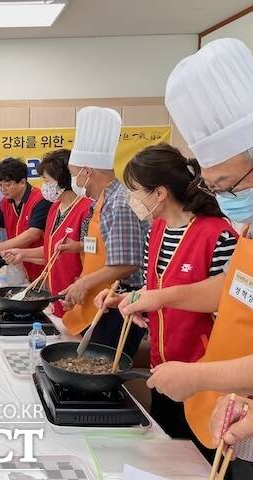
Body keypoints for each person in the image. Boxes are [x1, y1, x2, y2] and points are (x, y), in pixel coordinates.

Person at [115, 38, 253, 478]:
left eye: (230, 184)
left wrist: (198, 377)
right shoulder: (246, 226)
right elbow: (231, 290)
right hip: (233, 403)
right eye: (215, 187)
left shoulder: (219, 228)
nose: (226, 200)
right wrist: (155, 298)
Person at [94, 143, 237, 450]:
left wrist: (156, 299)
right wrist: (126, 299)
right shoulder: (156, 229)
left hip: (205, 372)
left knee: (201, 455)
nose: (132, 199)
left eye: (135, 190)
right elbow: (154, 287)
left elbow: (225, 302)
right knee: (167, 451)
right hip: (164, 366)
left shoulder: (218, 234)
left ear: (158, 193)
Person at [60, 106, 148, 358]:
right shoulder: (100, 201)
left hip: (118, 307)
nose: (74, 182)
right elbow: (99, 252)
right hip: (101, 299)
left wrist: (85, 283)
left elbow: (127, 264)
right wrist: (81, 285)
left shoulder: (120, 203)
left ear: (88, 172)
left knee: (103, 374)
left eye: (74, 174)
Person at [2, 149, 92, 317]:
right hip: (56, 295)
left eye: (47, 180)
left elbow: (94, 254)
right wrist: (22, 254)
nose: (44, 186)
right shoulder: (54, 208)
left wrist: (80, 286)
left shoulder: (87, 210)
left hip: (77, 296)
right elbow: (50, 252)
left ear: (64, 179)